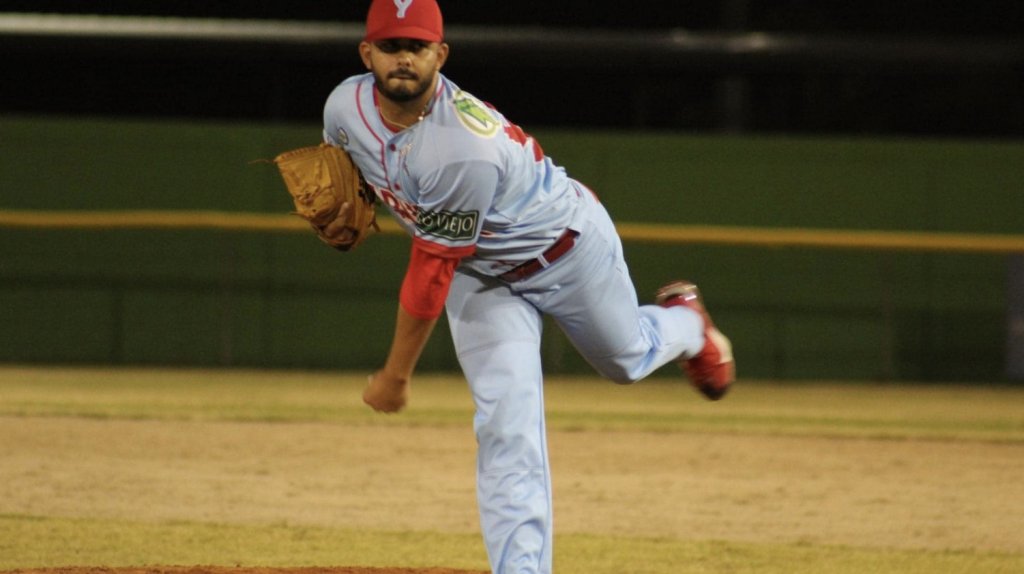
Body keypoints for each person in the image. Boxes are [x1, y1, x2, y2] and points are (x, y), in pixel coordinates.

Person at [322, 1, 735, 572]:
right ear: (366, 52)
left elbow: (429, 274)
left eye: (417, 47)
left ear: (440, 55)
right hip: (482, 276)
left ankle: (687, 322)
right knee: (506, 426)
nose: (403, 60)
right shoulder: (342, 108)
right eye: (391, 47)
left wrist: (395, 375)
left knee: (626, 360)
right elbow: (351, 172)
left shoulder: (460, 145)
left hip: (567, 251)